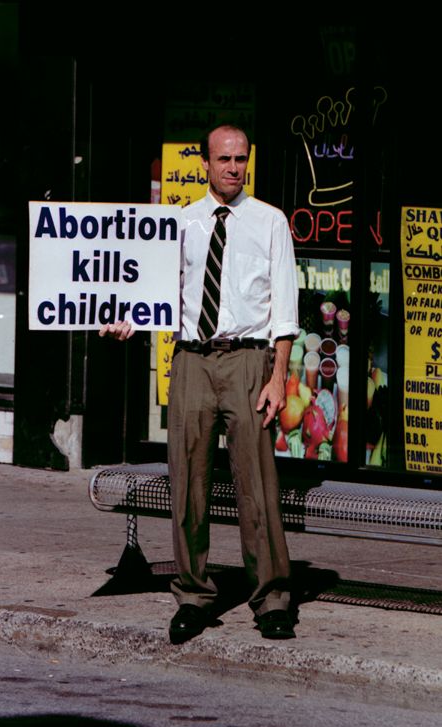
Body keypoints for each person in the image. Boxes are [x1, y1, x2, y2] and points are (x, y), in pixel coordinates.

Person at [100, 123, 300, 644]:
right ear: (206, 164)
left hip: (249, 361)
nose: (233, 167)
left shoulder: (270, 222)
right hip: (190, 360)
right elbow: (156, 292)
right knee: (188, 481)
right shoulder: (181, 223)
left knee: (256, 484)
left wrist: (278, 377)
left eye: (241, 158)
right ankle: (193, 595)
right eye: (224, 159)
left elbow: (285, 311)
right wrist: (127, 320)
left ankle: (272, 599)